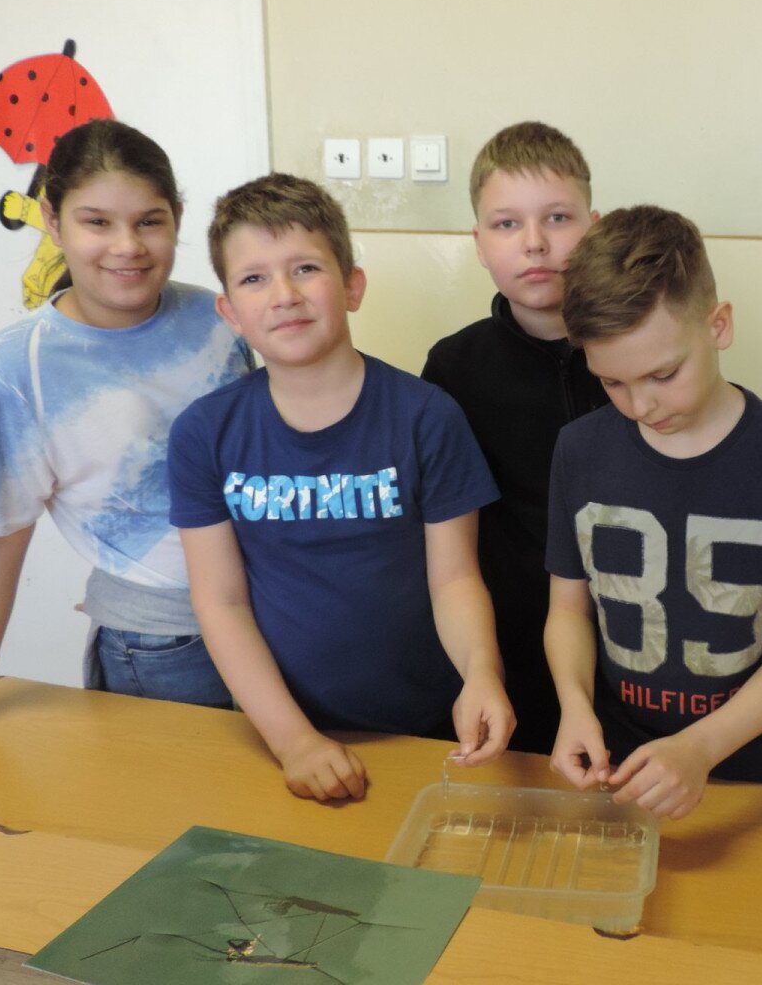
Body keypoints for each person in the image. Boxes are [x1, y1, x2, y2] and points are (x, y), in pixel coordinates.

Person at [0, 119, 252, 748]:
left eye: (149, 221)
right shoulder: (13, 370)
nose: (127, 246)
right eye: (97, 222)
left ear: (177, 218)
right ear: (53, 222)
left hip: (277, 616)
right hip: (165, 645)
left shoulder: (221, 316)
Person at [168, 173, 514, 803]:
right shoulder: (203, 433)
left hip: (431, 728)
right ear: (231, 313)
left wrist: (481, 674)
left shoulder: (427, 416)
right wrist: (293, 741)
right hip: (282, 731)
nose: (284, 295)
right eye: (254, 278)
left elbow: (455, 579)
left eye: (305, 268)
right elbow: (221, 602)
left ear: (352, 286)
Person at [544, 205, 762, 819]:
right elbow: (568, 611)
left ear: (718, 325)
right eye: (612, 383)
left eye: (663, 374)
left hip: (752, 772)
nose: (641, 406)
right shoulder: (578, 450)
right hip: (618, 767)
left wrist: (699, 749)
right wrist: (574, 705)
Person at [422, 122, 608, 753]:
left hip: (635, 659)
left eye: (557, 217)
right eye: (507, 224)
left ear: (594, 227)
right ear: (479, 243)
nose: (535, 243)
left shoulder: (642, 357)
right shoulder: (454, 369)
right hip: (507, 657)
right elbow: (449, 545)